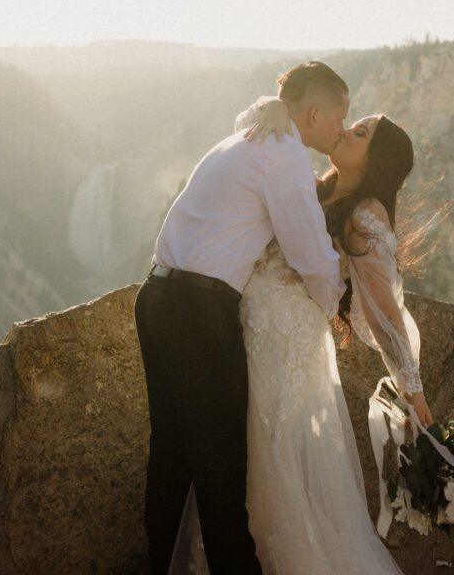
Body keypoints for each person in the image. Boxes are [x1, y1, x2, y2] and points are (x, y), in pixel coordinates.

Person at [170, 96, 432, 575]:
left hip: (289, 342)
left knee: (275, 453)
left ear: (377, 160)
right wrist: (273, 105)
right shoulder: (310, 185)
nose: (347, 130)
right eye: (351, 124)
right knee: (231, 448)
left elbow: (385, 313)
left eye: (360, 134)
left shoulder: (365, 212)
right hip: (242, 326)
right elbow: (251, 149)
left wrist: (414, 394)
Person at [133, 61, 350, 575]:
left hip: (156, 295)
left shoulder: (250, 136)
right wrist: (336, 302)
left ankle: (158, 563)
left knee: (172, 453)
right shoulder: (286, 154)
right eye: (340, 117)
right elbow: (309, 253)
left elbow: (247, 118)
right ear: (313, 113)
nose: (342, 128)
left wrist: (266, 104)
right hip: (198, 311)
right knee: (220, 465)